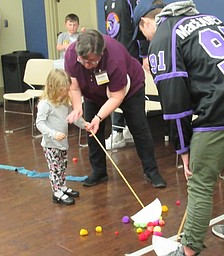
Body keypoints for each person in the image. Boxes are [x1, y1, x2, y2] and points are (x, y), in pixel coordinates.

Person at [133, 1, 224, 255]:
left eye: (142, 32)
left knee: (200, 180)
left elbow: (174, 103)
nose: (145, 38)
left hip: (223, 106)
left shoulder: (163, 36)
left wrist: (184, 151)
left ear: (146, 23)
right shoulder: (209, 18)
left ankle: (188, 250)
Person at [65, 29, 166, 188]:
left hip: (129, 90)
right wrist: (78, 107)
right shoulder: (71, 54)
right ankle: (99, 172)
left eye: (91, 61)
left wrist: (99, 118)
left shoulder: (114, 57)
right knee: (93, 131)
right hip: (93, 92)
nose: (86, 65)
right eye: (82, 60)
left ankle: (151, 171)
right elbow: (74, 87)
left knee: (139, 128)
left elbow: (116, 97)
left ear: (101, 54)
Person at [103, 0, 150, 150]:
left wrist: (144, 54)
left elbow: (140, 24)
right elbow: (110, 30)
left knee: (127, 92)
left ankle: (119, 131)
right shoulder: (107, 2)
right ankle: (122, 129)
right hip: (114, 56)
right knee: (114, 91)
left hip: (130, 55)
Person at [36, 69, 82, 205]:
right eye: (62, 89)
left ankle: (62, 187)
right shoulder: (45, 104)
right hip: (51, 144)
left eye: (66, 89)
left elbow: (74, 117)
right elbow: (39, 123)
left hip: (63, 143)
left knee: (62, 166)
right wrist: (53, 134)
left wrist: (86, 125)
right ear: (52, 87)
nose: (65, 93)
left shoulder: (63, 103)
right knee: (55, 169)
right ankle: (56, 193)